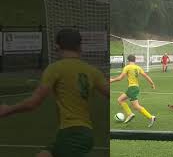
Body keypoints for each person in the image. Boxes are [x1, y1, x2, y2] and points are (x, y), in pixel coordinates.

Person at [0, 29, 108, 157]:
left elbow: (33, 103)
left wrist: (8, 109)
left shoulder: (55, 69)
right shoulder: (93, 71)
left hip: (71, 133)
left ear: (57, 46)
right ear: (80, 46)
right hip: (83, 133)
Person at [110, 54, 156, 127]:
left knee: (136, 106)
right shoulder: (138, 67)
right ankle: (130, 114)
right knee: (120, 100)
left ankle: (150, 117)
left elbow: (120, 78)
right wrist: (152, 84)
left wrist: (111, 80)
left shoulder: (127, 67)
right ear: (135, 60)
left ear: (128, 60)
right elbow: (146, 76)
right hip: (134, 88)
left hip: (132, 88)